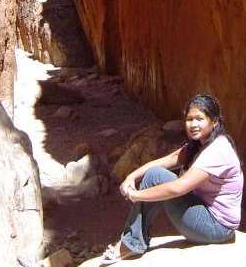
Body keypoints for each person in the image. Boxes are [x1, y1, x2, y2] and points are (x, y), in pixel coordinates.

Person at [100, 93, 244, 265]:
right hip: (207, 215)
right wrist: (131, 176)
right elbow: (167, 161)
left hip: (217, 227)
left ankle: (131, 243)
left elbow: (178, 188)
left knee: (157, 177)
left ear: (214, 122)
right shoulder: (199, 144)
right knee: (155, 173)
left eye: (200, 119)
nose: (193, 124)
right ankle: (133, 241)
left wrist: (136, 195)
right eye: (189, 119)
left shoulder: (217, 150)